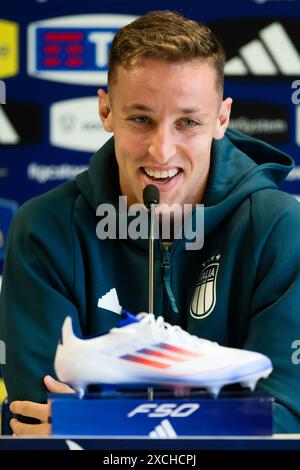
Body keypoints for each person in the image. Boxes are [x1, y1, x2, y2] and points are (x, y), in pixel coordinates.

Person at [1, 10, 300, 436]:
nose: (162, 151)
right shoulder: (45, 229)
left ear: (221, 118)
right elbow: (36, 417)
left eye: (188, 122)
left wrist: (100, 421)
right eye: (141, 119)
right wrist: (220, 418)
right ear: (106, 110)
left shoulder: (280, 228)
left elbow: (285, 419)